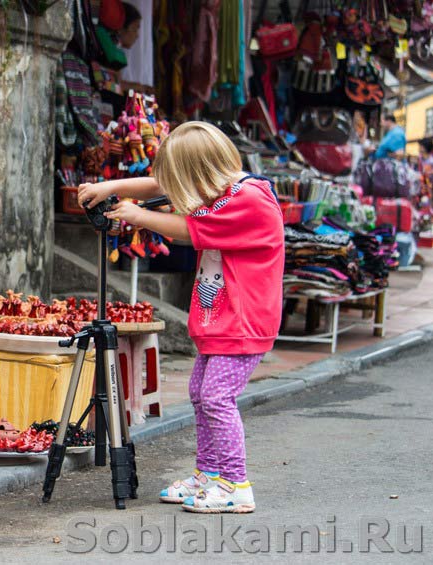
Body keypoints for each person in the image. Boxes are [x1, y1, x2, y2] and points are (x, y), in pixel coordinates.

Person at [78, 122, 284, 513]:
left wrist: (136, 215)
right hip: (223, 320)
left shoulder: (248, 200)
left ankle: (235, 484)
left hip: (244, 322)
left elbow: (187, 229)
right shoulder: (225, 187)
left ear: (200, 172)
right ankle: (209, 474)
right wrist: (111, 187)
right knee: (200, 395)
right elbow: (160, 184)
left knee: (216, 398)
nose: (173, 188)